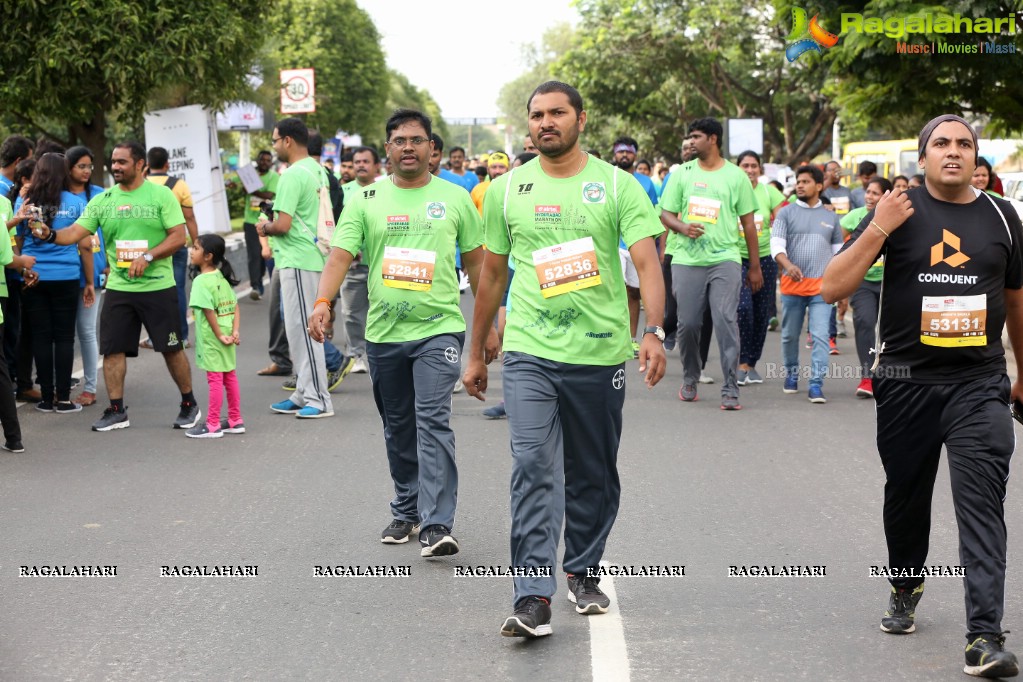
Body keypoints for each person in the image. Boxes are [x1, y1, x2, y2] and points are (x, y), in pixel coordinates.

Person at [822, 114, 1023, 679]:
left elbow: (1016, 298)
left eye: (964, 144)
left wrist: (1022, 373)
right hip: (907, 383)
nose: (953, 152)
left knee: (982, 505)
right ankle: (905, 585)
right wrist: (879, 227)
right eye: (942, 144)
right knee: (906, 501)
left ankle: (984, 636)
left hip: (979, 384)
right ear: (923, 156)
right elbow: (832, 286)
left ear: (975, 156)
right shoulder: (894, 211)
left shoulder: (1003, 218)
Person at [463, 81, 666, 638]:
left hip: (601, 355)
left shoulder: (618, 185)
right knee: (532, 466)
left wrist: (653, 330)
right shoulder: (506, 191)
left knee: (593, 472)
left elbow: (648, 264)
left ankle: (583, 569)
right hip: (530, 353)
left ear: (581, 118)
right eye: (536, 115)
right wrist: (477, 350)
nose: (545, 122)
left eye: (557, 113)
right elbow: (493, 277)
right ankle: (532, 593)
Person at [308, 108, 495, 556]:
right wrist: (322, 302)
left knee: (432, 420)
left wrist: (490, 323)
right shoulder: (365, 200)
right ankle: (407, 507)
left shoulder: (454, 198)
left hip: (439, 330)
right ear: (387, 149)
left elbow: (479, 265)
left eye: (417, 140)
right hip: (384, 334)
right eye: (399, 140)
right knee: (398, 426)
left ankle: (436, 523)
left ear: (432, 149)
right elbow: (339, 255)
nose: (408, 147)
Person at [34, 141, 200, 432]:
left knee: (171, 348)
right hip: (121, 287)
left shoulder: (161, 195)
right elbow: (74, 233)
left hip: (157, 286)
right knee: (112, 350)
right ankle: (116, 410)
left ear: (140, 165)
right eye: (113, 161)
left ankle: (189, 404)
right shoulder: (103, 200)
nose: (115, 167)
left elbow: (178, 237)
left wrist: (148, 256)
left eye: (122, 162)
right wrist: (48, 234)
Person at [659, 117, 762, 409]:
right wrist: (683, 227)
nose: (691, 142)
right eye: (690, 137)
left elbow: (749, 224)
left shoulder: (736, 176)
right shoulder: (682, 174)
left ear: (713, 139)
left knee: (726, 321)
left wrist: (753, 266)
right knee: (688, 323)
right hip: (687, 260)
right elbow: (665, 214)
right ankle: (691, 377)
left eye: (696, 136)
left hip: (725, 259)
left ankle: (730, 386)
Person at [256, 118, 333, 419]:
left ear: (287, 140)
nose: (274, 146)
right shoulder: (317, 170)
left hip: (298, 261)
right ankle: (303, 393)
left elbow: (283, 225)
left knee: (305, 331)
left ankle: (319, 399)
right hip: (312, 257)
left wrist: (265, 226)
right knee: (299, 331)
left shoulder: (290, 176)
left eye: (275, 140)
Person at [14, 153, 91, 413]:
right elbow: (85, 244)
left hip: (34, 275)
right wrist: (90, 281)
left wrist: (23, 269)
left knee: (41, 338)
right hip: (67, 277)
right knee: (64, 338)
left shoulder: (26, 203)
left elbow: (18, 240)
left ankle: (47, 399)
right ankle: (65, 399)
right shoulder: (76, 202)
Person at [771, 165, 843, 403]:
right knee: (789, 336)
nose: (799, 185)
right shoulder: (785, 213)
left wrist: (841, 287)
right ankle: (791, 374)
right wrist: (788, 265)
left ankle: (816, 384)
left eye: (805, 182)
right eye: (798, 181)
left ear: (819, 186)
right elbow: (777, 247)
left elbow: (839, 255)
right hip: (792, 288)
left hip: (822, 289)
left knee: (821, 335)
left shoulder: (831, 217)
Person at [186, 234, 244, 438]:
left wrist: (219, 335)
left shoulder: (202, 281)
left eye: (195, 248)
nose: (191, 251)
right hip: (228, 335)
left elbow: (208, 311)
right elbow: (235, 306)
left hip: (214, 338)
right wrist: (234, 331)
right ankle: (235, 420)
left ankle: (212, 424)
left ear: (208, 256)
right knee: (230, 377)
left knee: (215, 379)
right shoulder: (221, 277)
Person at [839, 176, 892, 399]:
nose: (869, 197)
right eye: (868, 192)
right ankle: (867, 376)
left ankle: (892, 375)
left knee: (892, 330)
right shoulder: (854, 217)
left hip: (891, 282)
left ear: (886, 197)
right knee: (864, 322)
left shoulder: (896, 218)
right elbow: (841, 246)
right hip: (863, 282)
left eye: (875, 193)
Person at [735, 150, 785, 385]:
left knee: (761, 312)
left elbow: (783, 220)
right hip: (735, 257)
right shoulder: (731, 188)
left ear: (760, 170)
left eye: (754, 166)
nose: (749, 170)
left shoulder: (769, 192)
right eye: (745, 165)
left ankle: (751, 364)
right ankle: (741, 361)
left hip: (765, 258)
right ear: (738, 168)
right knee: (743, 309)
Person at [65, 146, 107, 407]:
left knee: (87, 331)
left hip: (95, 273)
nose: (86, 171)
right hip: (65, 273)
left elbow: (112, 233)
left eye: (89, 166)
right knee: (64, 333)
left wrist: (110, 263)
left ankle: (90, 387)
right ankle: (61, 385)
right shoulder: (57, 197)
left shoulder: (101, 195)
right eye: (81, 165)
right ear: (68, 167)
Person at [613, 136, 659, 357]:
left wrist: (658, 248)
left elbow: (653, 214)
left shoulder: (646, 182)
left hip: (636, 244)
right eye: (620, 151)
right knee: (615, 289)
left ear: (635, 154)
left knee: (633, 293)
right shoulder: (607, 178)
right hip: (612, 245)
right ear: (614, 154)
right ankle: (612, 336)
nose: (624, 155)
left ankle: (631, 338)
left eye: (628, 152)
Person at [340, 146, 382, 374]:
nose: (360, 165)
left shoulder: (388, 190)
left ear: (377, 166)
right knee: (351, 313)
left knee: (384, 310)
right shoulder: (342, 191)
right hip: (353, 265)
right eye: (357, 162)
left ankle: (382, 353)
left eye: (366, 161)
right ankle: (355, 355)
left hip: (381, 263)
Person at [240, 150, 278, 300]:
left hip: (267, 221)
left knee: (264, 254)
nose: (265, 163)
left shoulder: (274, 177)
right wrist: (246, 187)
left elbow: (269, 195)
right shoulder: (250, 174)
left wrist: (252, 189)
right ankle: (256, 286)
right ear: (257, 160)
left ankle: (261, 280)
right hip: (250, 221)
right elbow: (242, 188)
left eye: (268, 160)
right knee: (253, 254)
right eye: (262, 160)